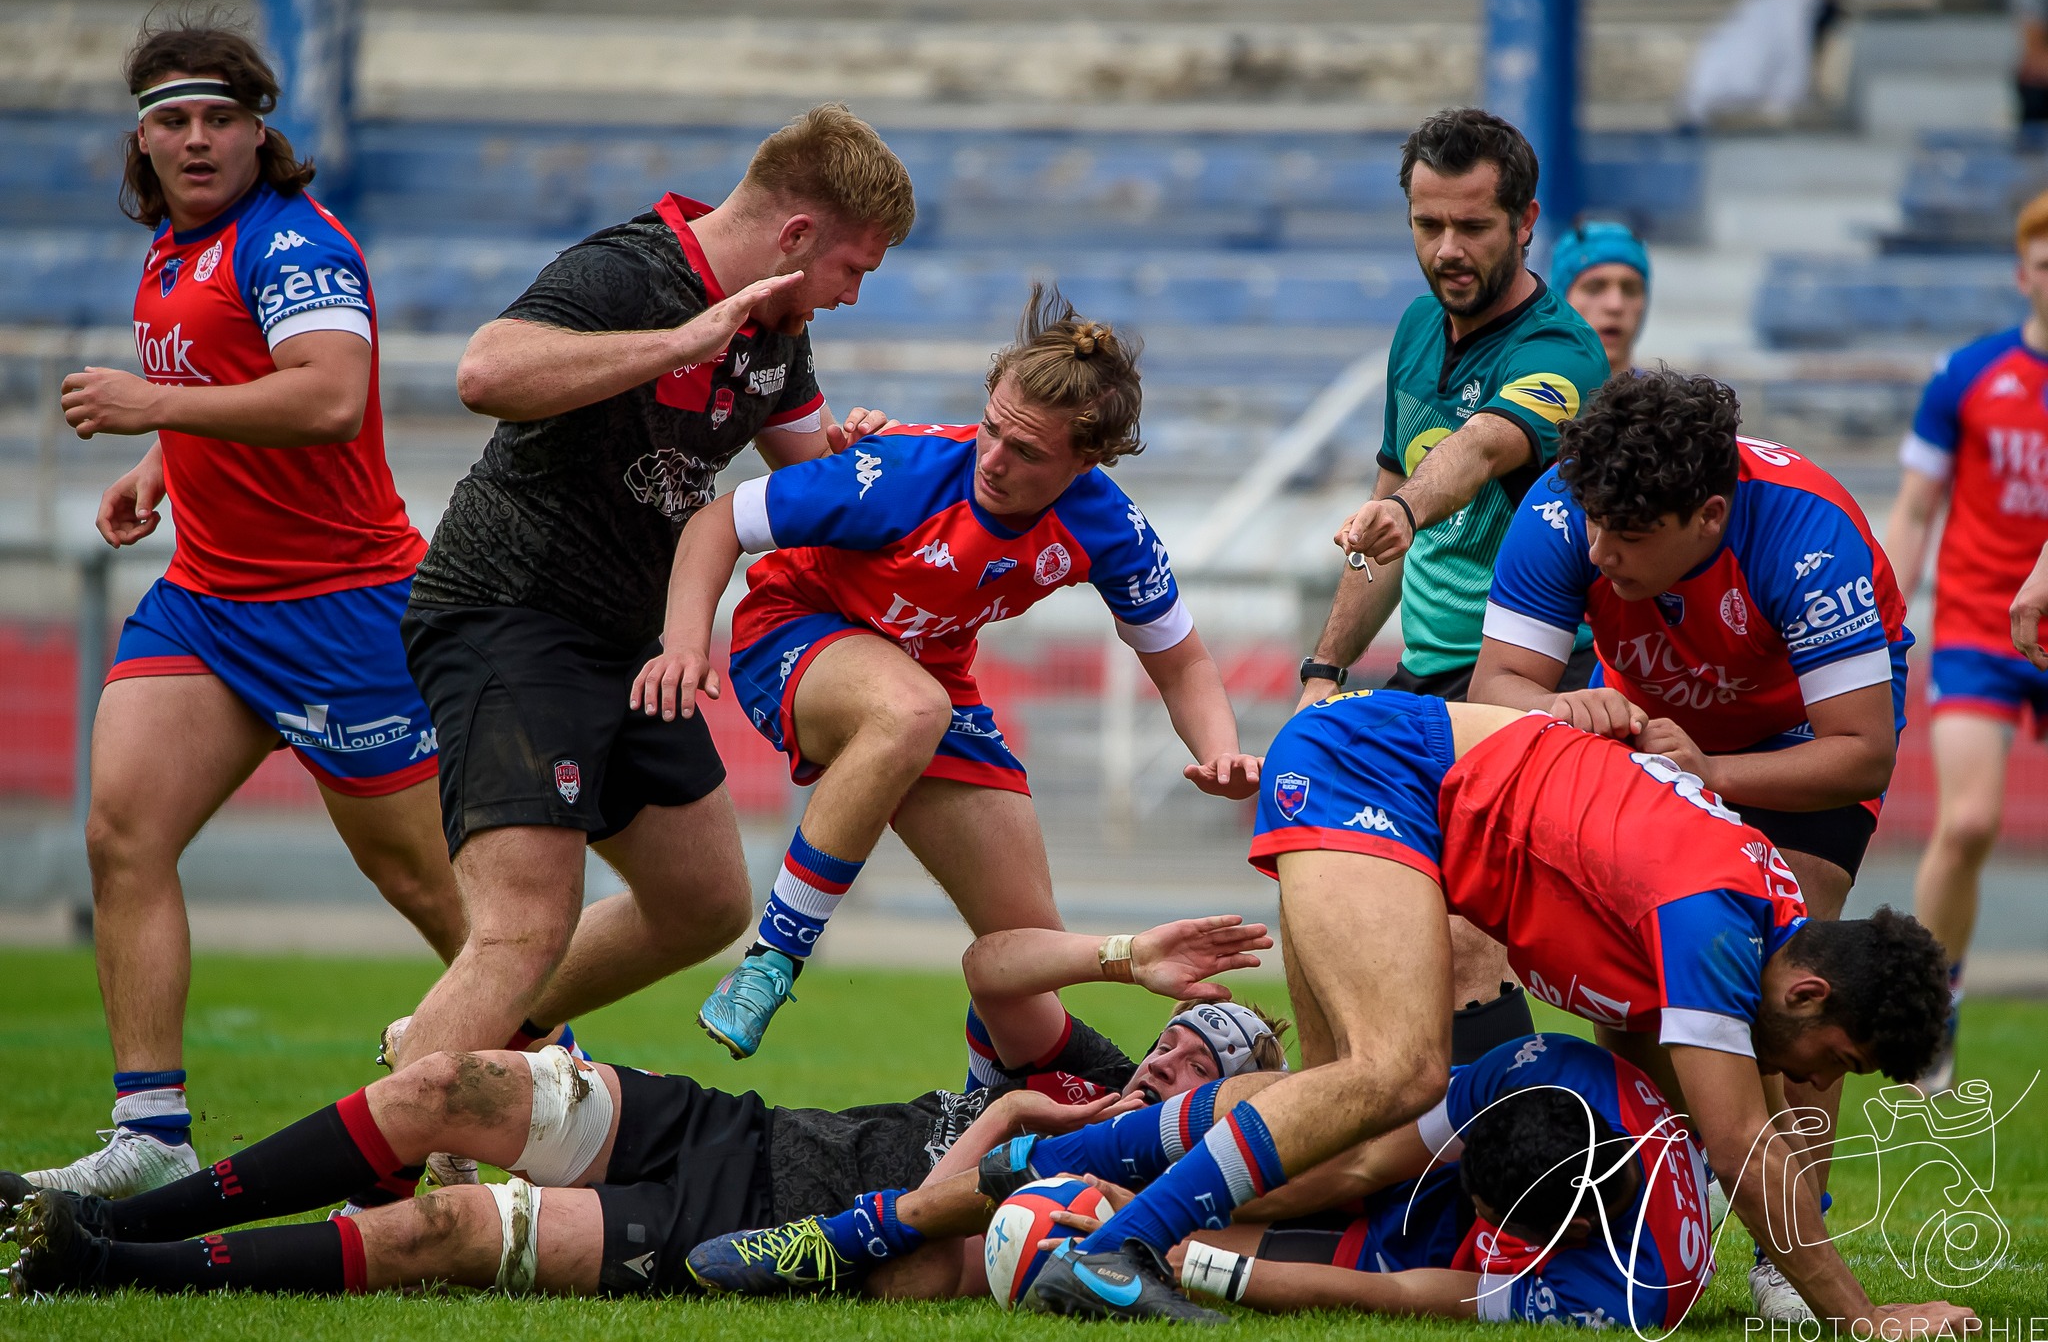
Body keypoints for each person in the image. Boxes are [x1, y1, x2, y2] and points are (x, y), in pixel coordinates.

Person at [1016, 690, 1965, 1330]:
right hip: (1376, 771)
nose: (1814, 1080)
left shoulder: (1762, 929)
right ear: (1809, 992)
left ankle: (1012, 1170)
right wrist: (1866, 1318)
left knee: (1338, 1119)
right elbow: (1743, 1147)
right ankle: (1116, 1249)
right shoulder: (1716, 926)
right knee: (1395, 1073)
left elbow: (1706, 1108)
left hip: (1394, 778)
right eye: (1836, 1057)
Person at [387, 105, 914, 1096]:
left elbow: (810, 481)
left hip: (628, 641)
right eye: (852, 270)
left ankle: (473, 1030)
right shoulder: (632, 272)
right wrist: (676, 342)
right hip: (511, 612)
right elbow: (483, 371)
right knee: (523, 928)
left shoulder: (778, 337)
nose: (849, 297)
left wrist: (867, 458)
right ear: (794, 238)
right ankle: (388, 1176)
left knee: (703, 899)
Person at [28, 12, 464, 1201]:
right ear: (142, 139)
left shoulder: (294, 244)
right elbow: (218, 380)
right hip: (211, 604)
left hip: (342, 607)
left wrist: (142, 409)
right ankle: (151, 1137)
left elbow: (326, 397)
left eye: (221, 117)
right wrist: (161, 461)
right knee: (123, 832)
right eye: (174, 119)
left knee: (437, 889)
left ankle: (559, 1095)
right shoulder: (172, 252)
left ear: (260, 130)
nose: (199, 138)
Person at [0, 918, 1284, 1300]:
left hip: (765, 1230)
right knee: (446, 1080)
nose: (1165, 1063)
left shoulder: (1129, 1197)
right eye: (1170, 1042)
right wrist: (1124, 959)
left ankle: (113, 1266)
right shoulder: (1076, 1077)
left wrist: (1001, 1156)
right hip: (735, 1126)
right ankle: (116, 1217)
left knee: (448, 1238)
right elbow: (990, 966)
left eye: (1193, 1068)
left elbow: (936, 1265)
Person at [632, 287, 1262, 1059]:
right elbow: (718, 520)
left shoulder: (1108, 525)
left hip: (928, 679)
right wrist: (684, 640)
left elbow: (1183, 662)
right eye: (991, 427)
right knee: (910, 709)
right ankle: (773, 958)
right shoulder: (901, 471)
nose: (992, 459)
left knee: (1030, 960)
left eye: (1026, 451)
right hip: (792, 634)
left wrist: (1220, 747)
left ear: (1086, 459)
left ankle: (1020, 1099)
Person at [1469, 367, 1913, 1316]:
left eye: (1627, 540)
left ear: (1709, 516)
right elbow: (1498, 681)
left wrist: (1711, 773)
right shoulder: (1566, 508)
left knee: (1791, 955)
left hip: (1801, 741)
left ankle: (1785, 1240)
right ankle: (1663, 1203)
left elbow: (1861, 753)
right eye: (1593, 527)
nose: (1599, 552)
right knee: (1638, 958)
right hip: (1651, 732)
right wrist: (1562, 704)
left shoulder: (1806, 535)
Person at [690, 1029, 1715, 1331]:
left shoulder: (1624, 1295)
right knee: (1263, 1128)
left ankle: (1063, 1232)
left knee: (944, 1277)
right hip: (1394, 1155)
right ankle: (858, 1226)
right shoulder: (1550, 1076)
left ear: (1546, 1235)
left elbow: (1395, 1292)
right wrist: (1171, 1198)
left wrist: (1189, 1262)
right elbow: (1364, 1156)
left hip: (1398, 1248)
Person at [1295, 107, 1609, 1039]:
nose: (1447, 249)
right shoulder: (1415, 333)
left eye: (1472, 226)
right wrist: (1324, 670)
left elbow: (1480, 446)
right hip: (1431, 678)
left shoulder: (1562, 351)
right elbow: (1383, 528)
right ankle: (1337, 1123)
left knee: (1466, 929)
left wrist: (1401, 511)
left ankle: (1500, 1153)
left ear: (1525, 222)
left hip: (1536, 677)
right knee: (1320, 870)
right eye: (1427, 226)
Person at [1885, 191, 2048, 1094]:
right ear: (2024, 272)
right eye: (2047, 263)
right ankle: (1932, 1003)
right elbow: (1915, 506)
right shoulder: (1971, 374)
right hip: (1982, 624)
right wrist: (1886, 613)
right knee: (1972, 819)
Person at [1552, 220, 1650, 375]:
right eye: (1594, 288)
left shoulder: (1669, 398)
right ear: (1560, 302)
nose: (1615, 305)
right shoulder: (1525, 393)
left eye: (1630, 289)